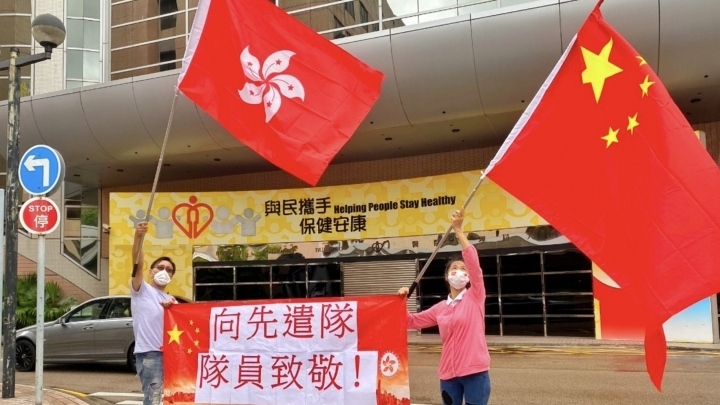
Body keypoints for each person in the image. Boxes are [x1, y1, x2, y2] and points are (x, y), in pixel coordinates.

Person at [398, 208, 491, 405]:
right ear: (447, 277)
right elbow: (410, 322)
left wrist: (458, 230)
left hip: (475, 372)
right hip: (448, 375)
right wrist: (401, 302)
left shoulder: (475, 296)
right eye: (454, 268)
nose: (459, 271)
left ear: (468, 277)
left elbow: (474, 265)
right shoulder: (440, 308)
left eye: (463, 269)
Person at [131, 221, 178, 405]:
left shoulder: (172, 299)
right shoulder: (141, 290)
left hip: (171, 354)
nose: (164, 271)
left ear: (172, 276)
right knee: (153, 399)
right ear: (151, 272)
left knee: (171, 397)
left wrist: (172, 309)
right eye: (160, 267)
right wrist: (138, 237)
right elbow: (137, 263)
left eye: (169, 270)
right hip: (150, 354)